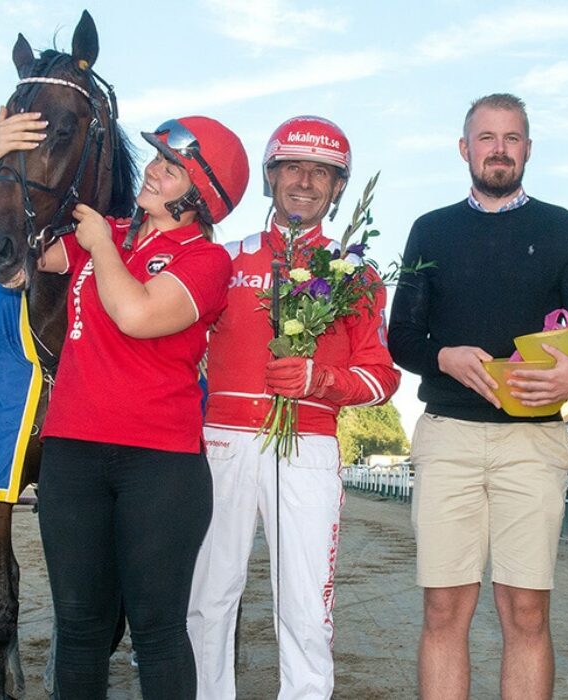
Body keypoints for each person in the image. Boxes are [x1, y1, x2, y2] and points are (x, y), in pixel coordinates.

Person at [0, 113, 248, 698]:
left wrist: (99, 246)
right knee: (79, 631)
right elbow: (10, 258)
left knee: (157, 632)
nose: (152, 170)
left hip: (160, 467)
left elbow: (138, 314)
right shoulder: (111, 232)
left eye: (171, 168)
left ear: (200, 197)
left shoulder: (205, 261)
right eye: (156, 159)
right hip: (73, 456)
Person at [387, 93, 568, 699]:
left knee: (527, 615)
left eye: (511, 138)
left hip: (533, 444)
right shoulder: (430, 230)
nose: (498, 149)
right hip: (449, 439)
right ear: (465, 149)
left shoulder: (564, 229)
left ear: (528, 150)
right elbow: (400, 336)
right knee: (443, 612)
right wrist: (443, 356)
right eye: (486, 138)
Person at [186, 115, 400, 699]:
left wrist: (320, 378)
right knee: (207, 601)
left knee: (306, 610)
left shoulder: (357, 273)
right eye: (292, 168)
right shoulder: (222, 258)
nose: (304, 181)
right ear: (270, 177)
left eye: (321, 172)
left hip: (306, 446)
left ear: (337, 188)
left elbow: (382, 379)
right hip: (220, 445)